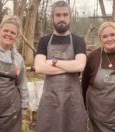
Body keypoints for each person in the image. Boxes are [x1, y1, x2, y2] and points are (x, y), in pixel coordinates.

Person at [34, 1, 87, 132]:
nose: (62, 18)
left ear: (70, 17)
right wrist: (70, 66)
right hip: (50, 100)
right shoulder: (44, 41)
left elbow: (80, 65)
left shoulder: (78, 40)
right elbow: (39, 68)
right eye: (58, 15)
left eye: (65, 15)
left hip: (72, 100)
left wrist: (53, 62)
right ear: (52, 17)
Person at [82, 22, 115, 132]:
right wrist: (84, 109)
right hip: (98, 116)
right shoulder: (93, 57)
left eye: (112, 35)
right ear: (100, 39)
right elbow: (84, 85)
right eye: (105, 36)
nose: (109, 39)